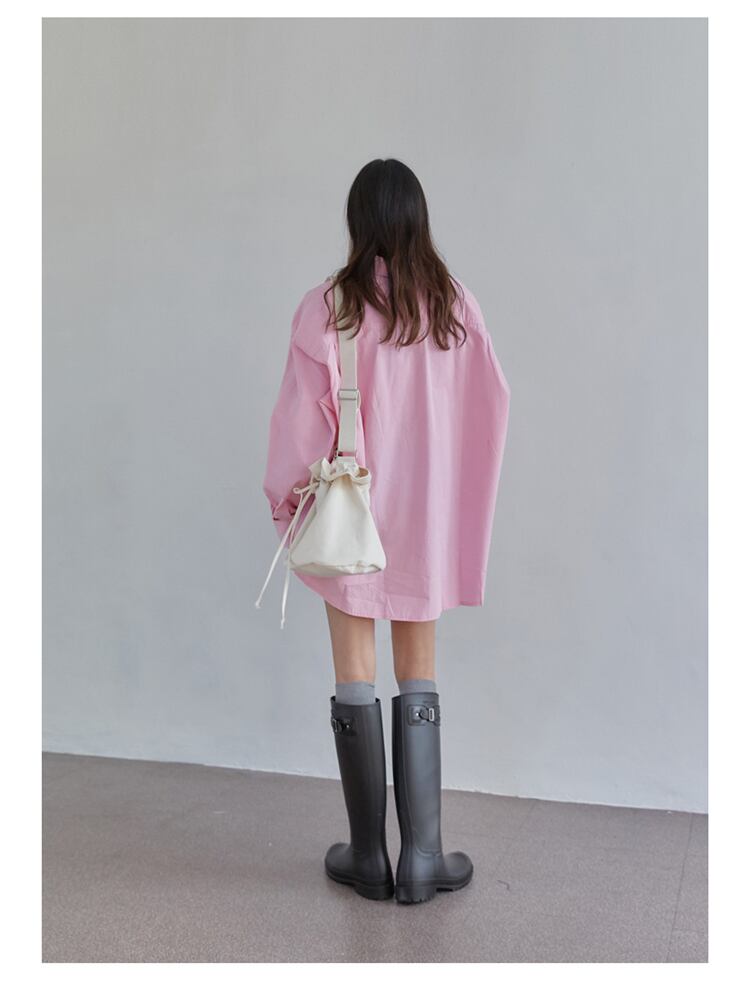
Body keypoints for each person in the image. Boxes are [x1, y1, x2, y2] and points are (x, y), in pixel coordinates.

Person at [260, 158, 510, 904]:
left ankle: (369, 856)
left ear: (357, 221)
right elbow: (491, 408)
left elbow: (298, 425)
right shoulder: (455, 307)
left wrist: (289, 504)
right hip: (426, 516)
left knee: (353, 669)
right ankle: (424, 858)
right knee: (419, 665)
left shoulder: (328, 308)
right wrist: (455, 496)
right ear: (418, 219)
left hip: (351, 514)